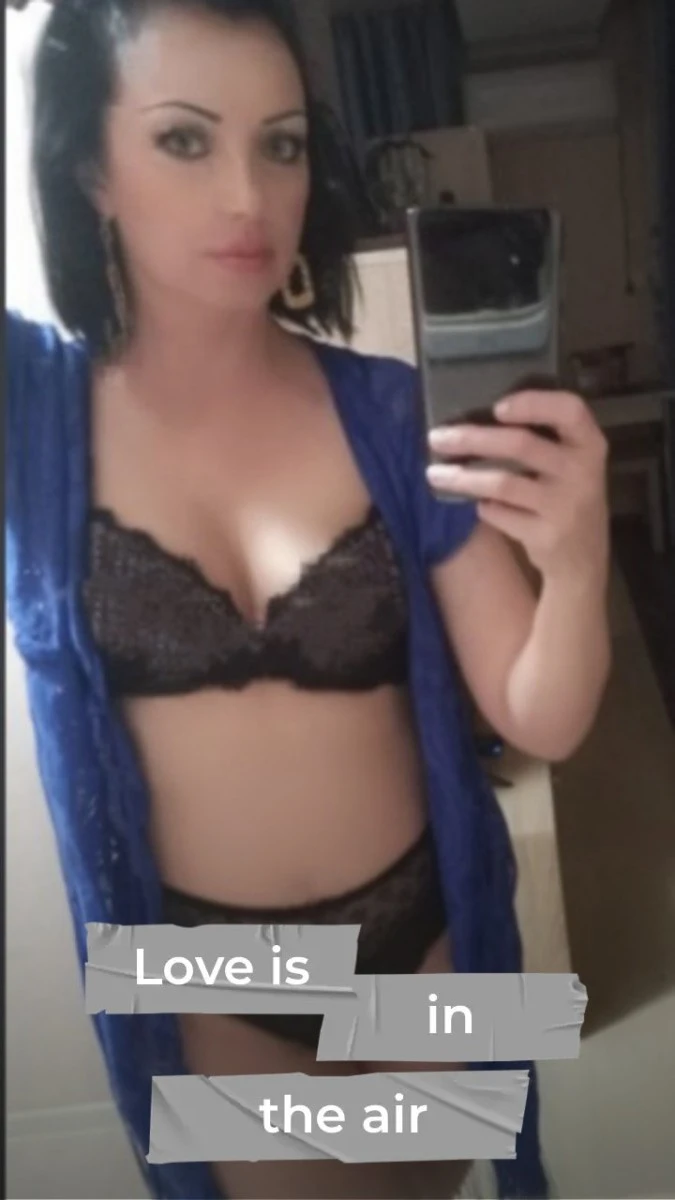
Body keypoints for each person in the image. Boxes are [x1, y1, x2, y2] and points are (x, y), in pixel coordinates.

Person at [5, 0, 612, 1197]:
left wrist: (581, 558)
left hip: (430, 936)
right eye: (185, 139)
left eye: (280, 143)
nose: (249, 195)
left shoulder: (390, 408)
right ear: (89, 168)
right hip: (205, 982)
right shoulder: (31, 417)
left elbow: (541, 717)